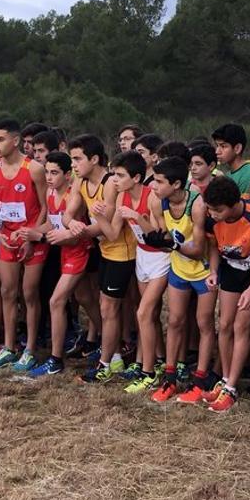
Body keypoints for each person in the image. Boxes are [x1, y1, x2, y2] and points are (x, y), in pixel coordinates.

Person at [199, 176, 250, 413]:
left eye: (217, 210)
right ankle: (227, 379)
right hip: (230, 269)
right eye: (209, 209)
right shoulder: (212, 219)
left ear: (233, 204)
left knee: (242, 326)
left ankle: (231, 388)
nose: (212, 214)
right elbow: (212, 247)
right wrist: (213, 271)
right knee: (225, 324)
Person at [68, 135, 137, 383]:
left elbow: (108, 228)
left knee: (109, 309)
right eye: (72, 159)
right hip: (105, 250)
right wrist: (73, 225)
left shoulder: (110, 184)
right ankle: (115, 356)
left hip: (121, 252)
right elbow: (69, 214)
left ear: (94, 159)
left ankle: (104, 364)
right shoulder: (80, 181)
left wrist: (78, 231)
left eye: (77, 159)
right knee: (107, 307)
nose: (73, 165)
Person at [0, 119, 49, 371]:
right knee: (7, 292)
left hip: (32, 238)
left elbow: (46, 206)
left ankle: (30, 349)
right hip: (8, 238)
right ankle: (9, 347)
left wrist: (32, 235)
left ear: (16, 140)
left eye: (1, 140)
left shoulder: (34, 169)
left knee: (29, 293)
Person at [150, 156, 215, 402]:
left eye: (158, 181)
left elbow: (198, 249)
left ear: (176, 184)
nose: (153, 186)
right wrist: (158, 239)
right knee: (174, 321)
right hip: (179, 268)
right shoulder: (159, 201)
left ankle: (199, 380)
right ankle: (169, 379)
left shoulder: (197, 204)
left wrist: (171, 244)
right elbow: (167, 235)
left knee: (204, 323)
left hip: (202, 270)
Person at [29, 151, 100, 377]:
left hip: (79, 251)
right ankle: (105, 336)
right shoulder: (51, 193)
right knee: (84, 298)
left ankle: (56, 359)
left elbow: (78, 232)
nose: (49, 177)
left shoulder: (73, 195)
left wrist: (42, 237)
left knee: (56, 301)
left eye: (55, 173)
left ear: (68, 175)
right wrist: (32, 232)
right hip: (65, 252)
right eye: (47, 172)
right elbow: (51, 224)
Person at [109, 150, 169, 393]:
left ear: (136, 178)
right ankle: (159, 360)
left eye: (120, 175)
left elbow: (160, 235)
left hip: (161, 257)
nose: (115, 179)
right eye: (114, 174)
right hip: (142, 256)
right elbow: (112, 233)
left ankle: (148, 373)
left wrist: (137, 217)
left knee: (143, 312)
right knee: (148, 315)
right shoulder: (121, 198)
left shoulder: (151, 197)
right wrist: (100, 216)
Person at [211, 123, 250, 198]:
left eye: (223, 146)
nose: (217, 151)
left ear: (237, 148)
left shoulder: (248, 175)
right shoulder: (228, 174)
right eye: (217, 146)